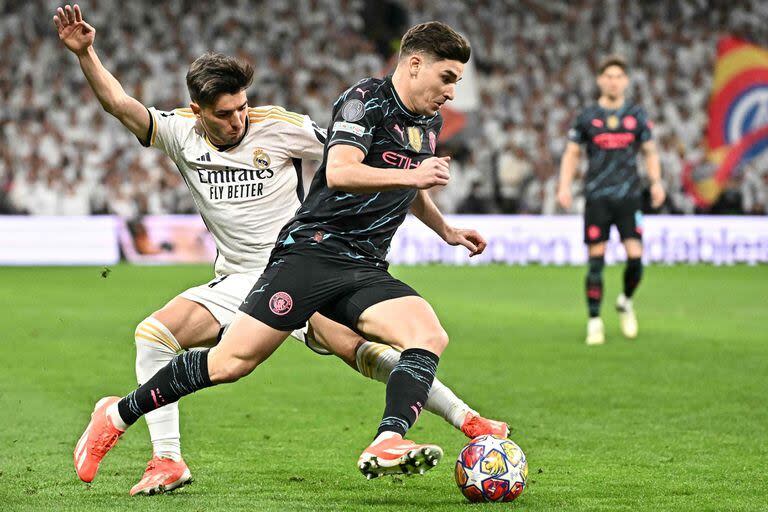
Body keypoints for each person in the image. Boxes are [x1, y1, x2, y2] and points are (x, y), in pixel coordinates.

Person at [56, 6, 503, 491]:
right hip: (286, 263)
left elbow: (363, 165)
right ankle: (146, 440)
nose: (237, 120)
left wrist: (445, 229)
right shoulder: (183, 132)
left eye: (242, 107)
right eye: (224, 114)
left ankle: (408, 434)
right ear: (197, 111)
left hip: (345, 260)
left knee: (406, 339)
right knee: (210, 356)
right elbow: (342, 169)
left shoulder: (290, 125)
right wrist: (86, 55)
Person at [557, 55, 665, 345]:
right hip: (597, 198)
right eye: (609, 76)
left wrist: (656, 181)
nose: (614, 81)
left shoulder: (637, 115)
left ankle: (626, 301)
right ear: (600, 80)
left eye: (619, 76)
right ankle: (594, 321)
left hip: (629, 197)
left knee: (636, 259)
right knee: (596, 261)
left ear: (626, 81)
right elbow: (572, 153)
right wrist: (564, 185)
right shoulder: (587, 116)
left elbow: (650, 151)